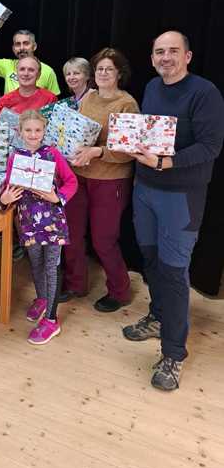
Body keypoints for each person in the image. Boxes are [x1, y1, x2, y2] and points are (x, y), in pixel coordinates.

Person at [122, 31, 224, 392]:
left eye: (173, 51)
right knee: (151, 261)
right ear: (152, 58)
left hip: (181, 197)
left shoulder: (205, 93)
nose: (166, 57)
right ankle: (158, 316)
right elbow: (149, 135)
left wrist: (166, 162)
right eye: (159, 52)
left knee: (174, 271)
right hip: (145, 190)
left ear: (188, 56)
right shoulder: (152, 87)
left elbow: (210, 147)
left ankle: (173, 354)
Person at [62, 48, 139, 312]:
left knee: (103, 240)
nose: (103, 73)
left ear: (119, 73)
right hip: (79, 176)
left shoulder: (126, 104)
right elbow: (78, 132)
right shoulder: (89, 97)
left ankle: (120, 291)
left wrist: (97, 152)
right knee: (72, 234)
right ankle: (75, 284)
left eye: (109, 69)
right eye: (99, 69)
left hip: (110, 180)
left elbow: (128, 151)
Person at [0, 110, 77, 344]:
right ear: (20, 131)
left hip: (53, 221)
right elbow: (9, 188)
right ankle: (42, 298)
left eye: (38, 130)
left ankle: (52, 320)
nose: (33, 134)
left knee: (51, 267)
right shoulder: (15, 157)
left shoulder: (52, 154)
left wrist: (58, 198)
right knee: (35, 262)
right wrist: (4, 200)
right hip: (27, 221)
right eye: (28, 130)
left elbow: (72, 181)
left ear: (44, 131)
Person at [0, 23, 60, 95]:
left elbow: (53, 102)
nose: (21, 48)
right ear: (13, 49)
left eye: (26, 43)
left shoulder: (48, 71)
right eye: (17, 44)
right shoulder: (7, 65)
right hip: (9, 108)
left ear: (34, 46)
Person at [0, 56, 57, 120]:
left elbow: (55, 125)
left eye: (31, 70)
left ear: (38, 75)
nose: (26, 74)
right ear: (17, 73)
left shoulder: (50, 99)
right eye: (22, 69)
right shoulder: (4, 101)